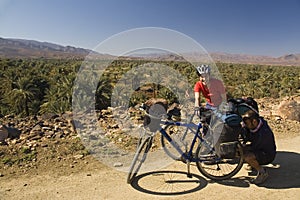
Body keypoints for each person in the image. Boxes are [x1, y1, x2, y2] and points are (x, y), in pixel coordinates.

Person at [242, 109, 277, 185]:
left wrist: (244, 147)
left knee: (247, 157)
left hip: (267, 154)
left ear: (254, 121)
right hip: (259, 148)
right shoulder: (256, 125)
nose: (247, 126)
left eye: (247, 124)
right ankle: (254, 164)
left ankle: (262, 172)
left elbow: (255, 146)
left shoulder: (264, 132)